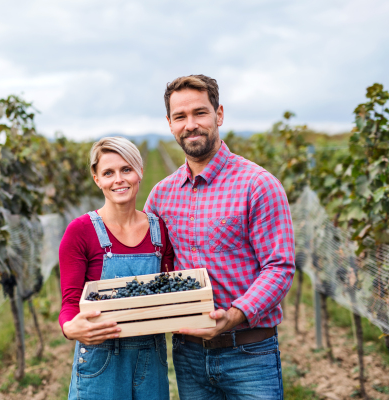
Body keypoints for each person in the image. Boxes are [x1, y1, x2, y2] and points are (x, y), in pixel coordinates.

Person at [144, 75, 295, 399]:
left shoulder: (258, 184)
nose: (191, 124)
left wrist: (233, 316)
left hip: (249, 352)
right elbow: (148, 265)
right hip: (188, 354)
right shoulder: (160, 195)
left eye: (200, 113)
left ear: (219, 114)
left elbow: (279, 267)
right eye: (180, 117)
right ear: (170, 124)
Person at [59, 136, 175, 400]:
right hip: (101, 357)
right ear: (97, 178)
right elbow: (69, 304)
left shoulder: (160, 230)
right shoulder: (80, 232)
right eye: (108, 173)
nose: (118, 179)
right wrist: (69, 328)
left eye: (126, 169)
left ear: (140, 171)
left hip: (151, 356)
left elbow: (172, 293)